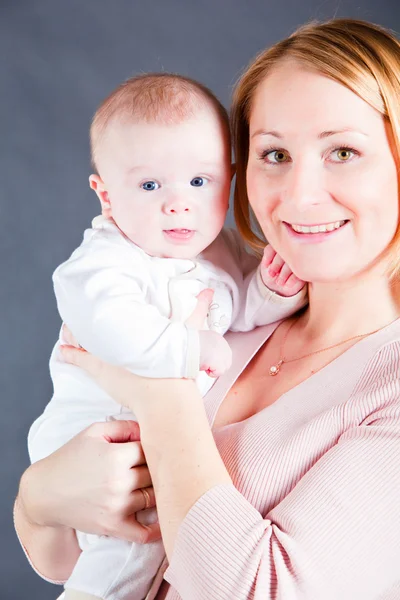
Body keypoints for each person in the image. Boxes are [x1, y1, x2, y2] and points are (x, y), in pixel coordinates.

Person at [15, 17, 400, 600]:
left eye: (343, 151)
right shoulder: (228, 309)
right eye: (274, 154)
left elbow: (256, 591)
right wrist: (40, 496)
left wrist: (159, 392)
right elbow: (67, 559)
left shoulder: (387, 389)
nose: (299, 194)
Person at [26, 73, 306, 600]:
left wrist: (269, 291)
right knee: (129, 550)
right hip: (90, 436)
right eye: (151, 186)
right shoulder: (102, 264)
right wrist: (186, 350)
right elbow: (114, 329)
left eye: (199, 183)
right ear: (105, 195)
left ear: (228, 178)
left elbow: (235, 310)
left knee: (152, 539)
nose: (178, 204)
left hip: (146, 442)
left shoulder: (215, 250)